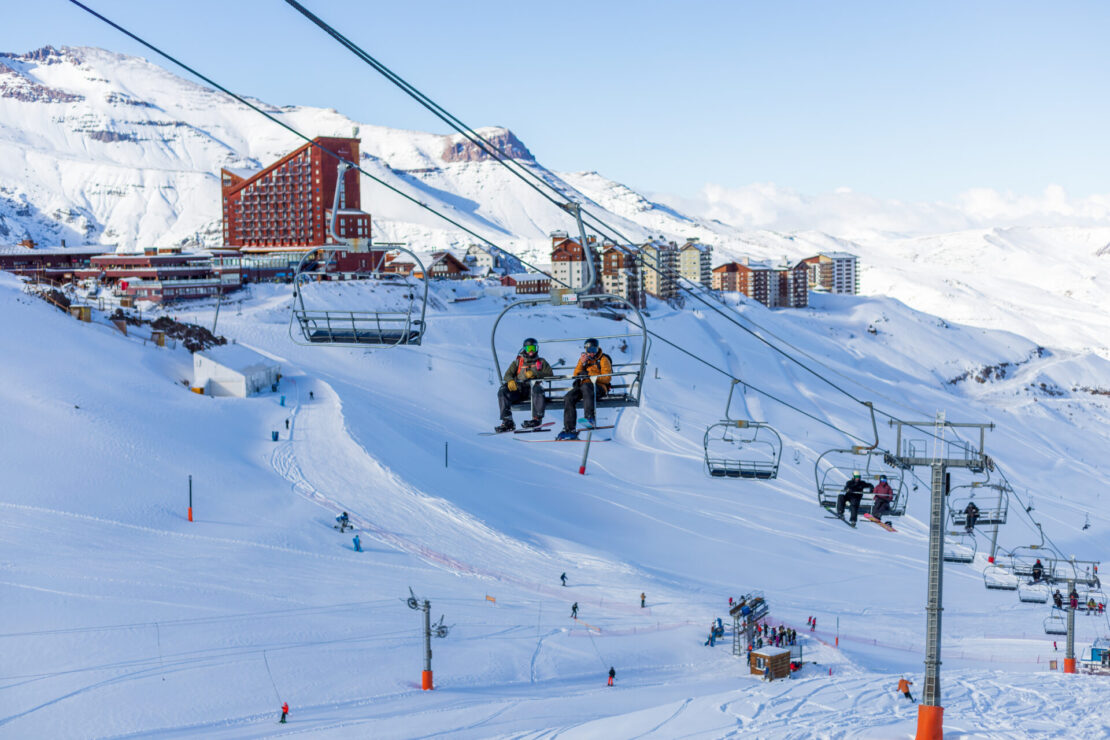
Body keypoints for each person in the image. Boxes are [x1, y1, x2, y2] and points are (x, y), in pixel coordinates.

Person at [557, 338, 613, 441]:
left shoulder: (603, 359)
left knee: (587, 387)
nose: (591, 353)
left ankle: (589, 417)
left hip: (599, 387)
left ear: (597, 349)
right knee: (569, 397)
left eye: (594, 350)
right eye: (589, 350)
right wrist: (582, 364)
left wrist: (589, 375)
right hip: (584, 387)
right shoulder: (583, 359)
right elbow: (576, 375)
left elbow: (607, 377)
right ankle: (570, 430)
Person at [495, 337, 554, 433]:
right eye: (528, 349)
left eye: (533, 348)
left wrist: (536, 375)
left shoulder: (541, 362)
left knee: (538, 389)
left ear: (537, 349)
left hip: (533, 390)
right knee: (503, 391)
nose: (531, 351)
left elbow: (550, 374)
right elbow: (507, 374)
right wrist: (510, 380)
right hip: (518, 390)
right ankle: (507, 421)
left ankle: (537, 419)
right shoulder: (518, 362)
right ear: (524, 349)